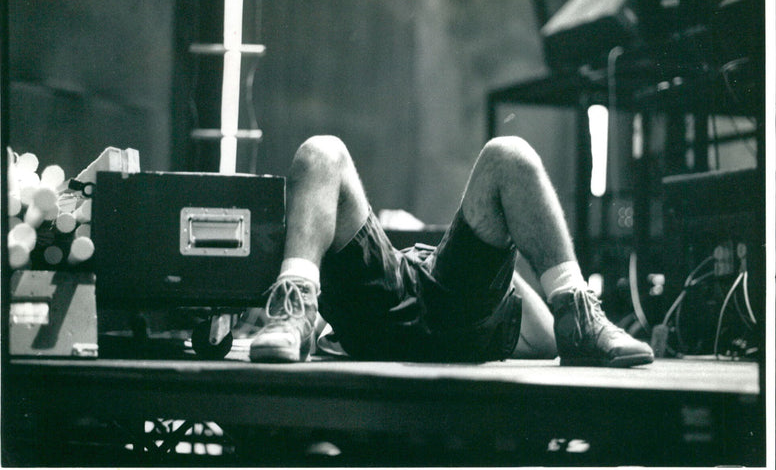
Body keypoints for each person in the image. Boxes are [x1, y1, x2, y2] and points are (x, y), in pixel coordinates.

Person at [249, 135, 654, 367]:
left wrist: (502, 274)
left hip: (447, 309)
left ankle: (579, 316)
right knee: (322, 150)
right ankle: (295, 306)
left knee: (509, 153)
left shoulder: (489, 302)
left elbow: (550, 340)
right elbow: (545, 341)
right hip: (387, 309)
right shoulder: (404, 275)